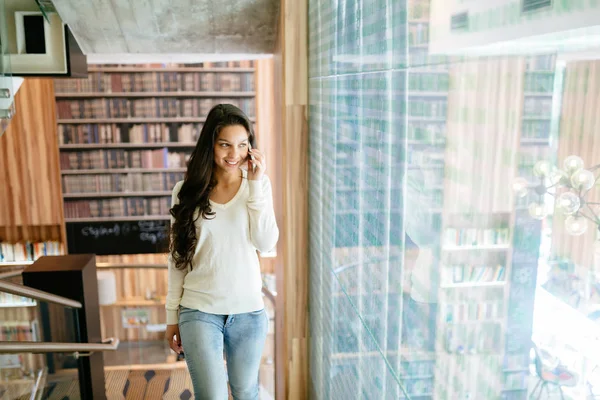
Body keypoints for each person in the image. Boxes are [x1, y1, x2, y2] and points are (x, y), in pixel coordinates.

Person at [164, 103, 279, 399]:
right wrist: (171, 317)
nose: (234, 154)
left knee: (245, 392)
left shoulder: (259, 186)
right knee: (212, 396)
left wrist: (254, 186)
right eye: (224, 144)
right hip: (198, 310)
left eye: (242, 145)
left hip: (248, 312)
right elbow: (178, 259)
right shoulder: (186, 191)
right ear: (210, 145)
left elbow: (266, 243)